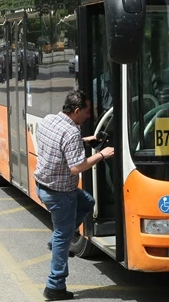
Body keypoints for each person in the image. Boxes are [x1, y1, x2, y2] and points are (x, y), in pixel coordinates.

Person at [34, 90, 114, 301]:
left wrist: (86, 141)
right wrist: (101, 154)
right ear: (77, 111)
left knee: (87, 201)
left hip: (43, 186)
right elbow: (76, 167)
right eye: (87, 112)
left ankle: (58, 241)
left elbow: (62, 144)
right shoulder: (70, 134)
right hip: (60, 194)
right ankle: (54, 286)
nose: (89, 116)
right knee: (63, 235)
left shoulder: (50, 120)